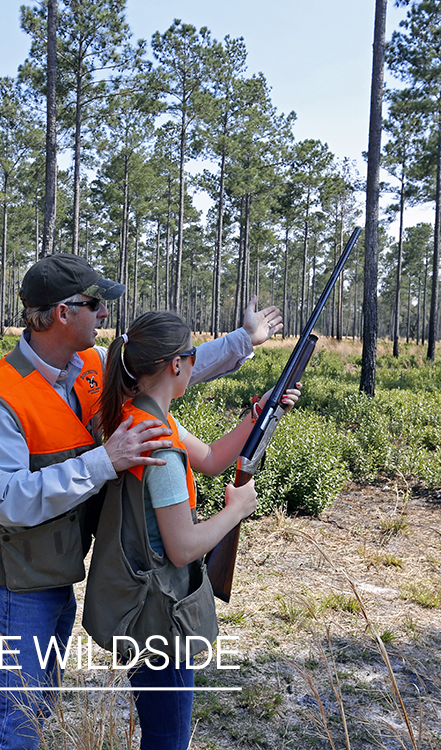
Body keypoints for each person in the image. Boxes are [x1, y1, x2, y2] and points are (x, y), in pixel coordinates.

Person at [0, 253, 283, 750]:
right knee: (9, 722)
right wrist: (105, 460)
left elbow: (163, 369)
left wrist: (244, 341)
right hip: (13, 586)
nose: (106, 313)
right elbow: (7, 501)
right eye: (96, 304)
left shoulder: (90, 365)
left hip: (57, 571)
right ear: (63, 313)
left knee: (33, 708)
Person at [85, 311, 301, 750]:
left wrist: (260, 414)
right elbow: (183, 548)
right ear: (175, 365)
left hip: (141, 602)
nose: (194, 362)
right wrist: (236, 511)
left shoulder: (138, 418)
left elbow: (213, 459)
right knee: (168, 739)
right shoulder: (160, 449)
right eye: (192, 355)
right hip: (159, 615)